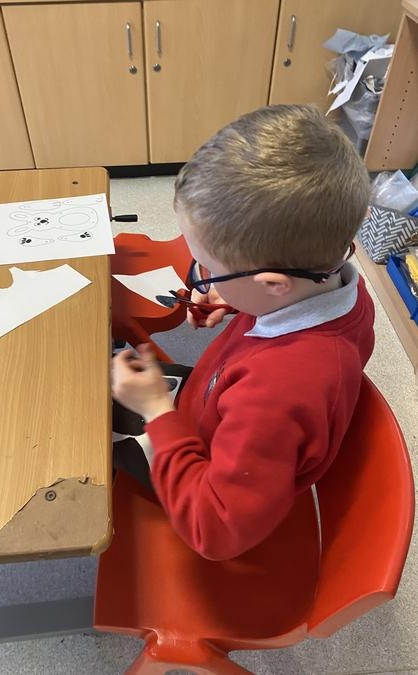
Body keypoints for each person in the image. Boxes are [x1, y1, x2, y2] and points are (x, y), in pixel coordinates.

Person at [111, 104, 375, 561]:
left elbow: (214, 529)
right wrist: (234, 299)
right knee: (104, 373)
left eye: (207, 270)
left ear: (273, 283)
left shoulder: (279, 393)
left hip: (203, 481)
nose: (200, 279)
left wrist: (156, 410)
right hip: (213, 408)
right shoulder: (338, 287)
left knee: (81, 426)